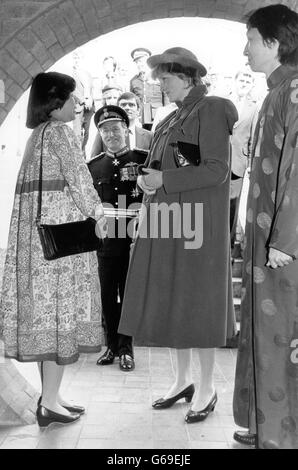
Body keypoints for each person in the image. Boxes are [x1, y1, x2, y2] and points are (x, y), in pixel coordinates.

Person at [118, 47, 238, 421]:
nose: (160, 86)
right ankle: (182, 381)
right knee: (172, 298)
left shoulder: (214, 108)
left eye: (166, 79)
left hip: (197, 222)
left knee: (198, 303)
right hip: (167, 218)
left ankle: (206, 387)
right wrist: (147, 178)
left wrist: (164, 179)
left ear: (187, 76)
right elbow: (161, 164)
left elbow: (217, 169)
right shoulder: (170, 118)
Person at [0, 72, 107, 427]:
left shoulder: (37, 135)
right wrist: (98, 213)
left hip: (40, 245)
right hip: (63, 245)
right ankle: (49, 401)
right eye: (72, 98)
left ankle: (53, 398)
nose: (78, 104)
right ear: (56, 101)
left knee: (53, 321)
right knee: (63, 318)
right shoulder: (60, 133)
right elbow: (79, 180)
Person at [232, 4, 298, 449]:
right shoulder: (278, 90)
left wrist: (286, 239)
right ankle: (263, 425)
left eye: (252, 40)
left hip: (283, 246)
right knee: (261, 332)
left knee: (283, 337)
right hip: (264, 238)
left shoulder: (294, 91)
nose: (245, 50)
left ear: (273, 43)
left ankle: (282, 433)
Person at [87, 106, 147, 371]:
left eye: (115, 128)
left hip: (133, 242)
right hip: (106, 243)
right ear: (100, 133)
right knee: (108, 297)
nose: (111, 134)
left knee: (129, 296)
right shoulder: (93, 166)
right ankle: (112, 346)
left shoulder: (142, 159)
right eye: (105, 130)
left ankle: (126, 349)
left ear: (126, 129)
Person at [228, 67, 259, 252]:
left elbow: (253, 137)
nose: (244, 84)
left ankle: (229, 249)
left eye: (248, 82)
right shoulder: (222, 101)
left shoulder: (253, 107)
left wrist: (249, 164)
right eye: (241, 81)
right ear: (235, 81)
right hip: (216, 160)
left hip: (238, 164)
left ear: (251, 86)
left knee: (232, 207)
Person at [90, 91, 153, 159]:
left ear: (138, 110)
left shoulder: (149, 136)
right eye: (123, 105)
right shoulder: (104, 133)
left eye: (131, 105)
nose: (127, 108)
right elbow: (95, 159)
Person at [130, 47, 167, 127]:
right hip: (141, 120)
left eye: (141, 61)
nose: (139, 64)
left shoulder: (159, 77)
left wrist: (166, 116)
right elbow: (132, 101)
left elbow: (167, 98)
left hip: (159, 118)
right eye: (136, 62)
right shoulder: (133, 81)